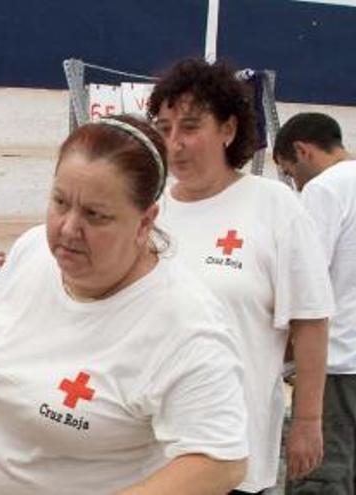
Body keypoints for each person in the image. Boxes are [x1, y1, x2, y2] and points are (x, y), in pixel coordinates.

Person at [0, 115, 249, 494]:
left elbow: (219, 463)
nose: (68, 228)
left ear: (145, 221)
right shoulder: (32, 251)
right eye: (59, 202)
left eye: (95, 215)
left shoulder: (184, 323)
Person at [149, 59, 334, 494]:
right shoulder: (149, 212)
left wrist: (307, 421)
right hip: (150, 450)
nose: (175, 144)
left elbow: (310, 322)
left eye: (190, 127)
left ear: (228, 130)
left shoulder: (273, 207)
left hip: (234, 452)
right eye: (164, 128)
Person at [273, 112, 356, 494]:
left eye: (289, 172)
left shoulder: (325, 189)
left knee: (321, 475)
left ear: (302, 151)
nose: (293, 183)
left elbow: (305, 280)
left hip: (336, 362)